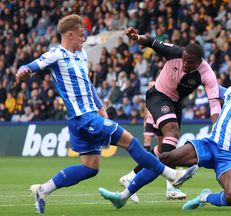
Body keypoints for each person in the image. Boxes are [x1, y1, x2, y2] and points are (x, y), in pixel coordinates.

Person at [15, 14, 197, 214]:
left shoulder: (82, 55)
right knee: (131, 142)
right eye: (81, 35)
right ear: (69, 34)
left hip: (87, 117)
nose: (84, 38)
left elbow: (88, 85)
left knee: (90, 168)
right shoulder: (56, 54)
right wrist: (24, 69)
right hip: (83, 118)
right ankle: (172, 175)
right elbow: (33, 65)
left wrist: (101, 107)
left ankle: (43, 190)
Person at [98, 70, 231, 210]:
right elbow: (211, 85)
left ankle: (205, 197)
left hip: (230, 157)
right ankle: (123, 197)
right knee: (164, 158)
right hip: (209, 145)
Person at [118, 27, 221, 200]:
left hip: (175, 103)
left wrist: (217, 127)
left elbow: (214, 103)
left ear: (199, 62)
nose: (186, 65)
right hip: (157, 95)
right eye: (184, 60)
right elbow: (151, 42)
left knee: (165, 149)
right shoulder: (173, 52)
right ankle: (172, 179)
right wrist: (136, 37)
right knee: (172, 131)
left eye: (190, 63)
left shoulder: (207, 73)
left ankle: (131, 178)